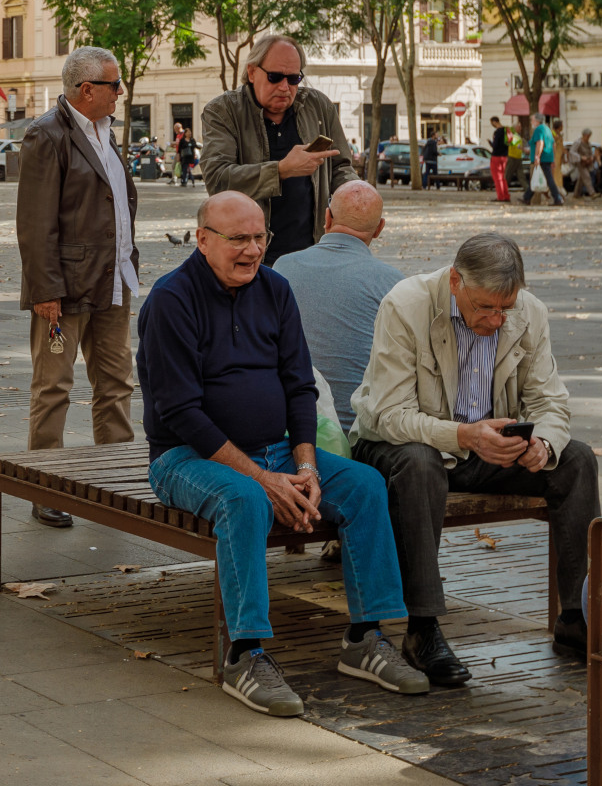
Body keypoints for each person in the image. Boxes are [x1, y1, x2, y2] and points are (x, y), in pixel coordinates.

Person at [142, 191, 428, 715]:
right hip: (187, 457)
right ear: (203, 240)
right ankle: (245, 654)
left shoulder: (275, 289)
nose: (253, 250)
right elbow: (180, 412)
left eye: (260, 237)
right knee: (245, 501)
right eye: (239, 239)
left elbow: (301, 388)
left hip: (278, 452)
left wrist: (305, 465)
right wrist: (260, 477)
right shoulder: (171, 299)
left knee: (365, 485)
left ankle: (366, 638)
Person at [352, 232, 601, 683]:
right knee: (419, 463)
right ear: (455, 282)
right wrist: (463, 435)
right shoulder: (405, 305)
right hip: (400, 443)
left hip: (483, 444)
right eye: (485, 307)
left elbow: (551, 402)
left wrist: (542, 443)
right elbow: (389, 415)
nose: (495, 319)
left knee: (576, 460)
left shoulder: (528, 313)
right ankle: (422, 628)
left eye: (505, 308)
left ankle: (576, 617)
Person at [14, 46, 139, 528]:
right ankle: (44, 485)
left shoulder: (106, 132)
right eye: (114, 85)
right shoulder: (46, 135)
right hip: (64, 289)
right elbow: (35, 222)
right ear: (87, 90)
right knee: (54, 387)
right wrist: (45, 291)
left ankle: (118, 478)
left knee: (116, 383)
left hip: (113, 280)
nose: (120, 93)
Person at [201, 34, 356, 265]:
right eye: (275, 77)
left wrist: (356, 196)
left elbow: (341, 167)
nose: (285, 87)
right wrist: (281, 170)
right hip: (249, 257)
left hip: (312, 253)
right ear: (252, 72)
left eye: (294, 78)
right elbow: (218, 180)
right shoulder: (223, 111)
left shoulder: (319, 106)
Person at [272, 181, 404, 431]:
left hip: (291, 427)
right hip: (358, 429)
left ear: (327, 218)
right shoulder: (394, 283)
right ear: (379, 229)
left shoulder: (282, 267)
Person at [522, 118, 561, 206]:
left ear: (537, 121)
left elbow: (540, 143)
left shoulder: (539, 129)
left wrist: (537, 156)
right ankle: (526, 197)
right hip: (548, 157)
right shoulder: (548, 129)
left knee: (548, 179)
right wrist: (553, 158)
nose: (531, 122)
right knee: (536, 177)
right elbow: (553, 145)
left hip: (542, 158)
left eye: (532, 120)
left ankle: (558, 199)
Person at [569, 130, 599, 200]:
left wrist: (591, 157)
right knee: (586, 176)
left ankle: (576, 194)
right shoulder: (578, 142)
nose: (588, 138)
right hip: (580, 163)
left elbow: (590, 152)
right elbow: (572, 151)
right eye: (587, 136)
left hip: (587, 163)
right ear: (584, 135)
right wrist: (580, 157)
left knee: (581, 179)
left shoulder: (588, 143)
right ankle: (592, 193)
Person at [488, 117, 510, 202]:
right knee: (503, 177)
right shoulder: (506, 130)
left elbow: (495, 145)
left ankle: (500, 197)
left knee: (498, 178)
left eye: (492, 123)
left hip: (496, 156)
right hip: (505, 156)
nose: (492, 125)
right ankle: (506, 195)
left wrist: (491, 143)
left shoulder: (498, 132)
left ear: (494, 121)